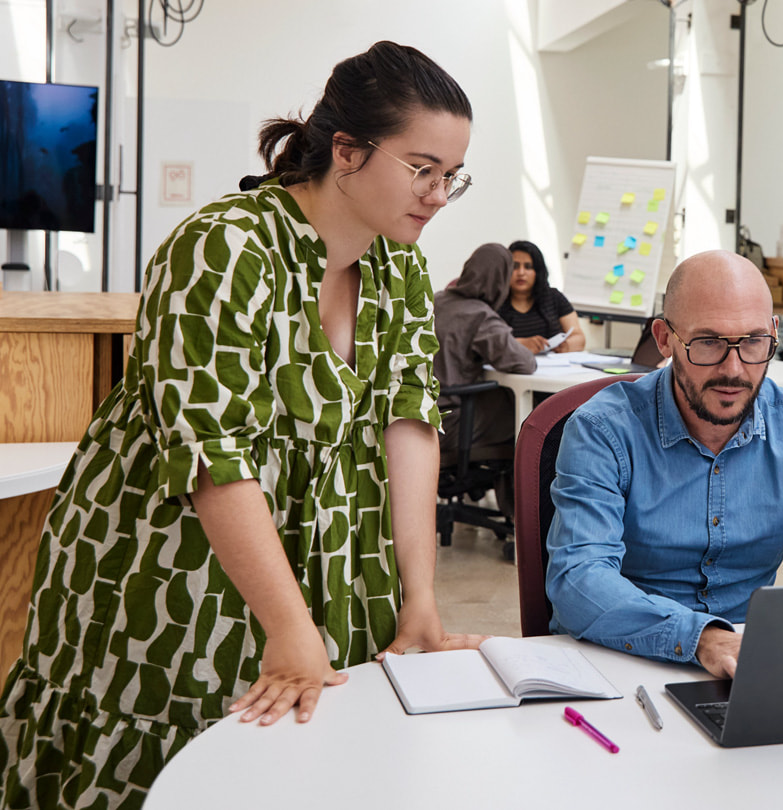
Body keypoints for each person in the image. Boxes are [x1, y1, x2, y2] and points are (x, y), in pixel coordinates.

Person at [0, 42, 488, 808]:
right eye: (421, 168)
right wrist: (287, 623)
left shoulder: (400, 267)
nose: (437, 194)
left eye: (450, 176)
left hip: (331, 555)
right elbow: (210, 456)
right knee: (171, 755)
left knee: (307, 760)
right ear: (348, 151)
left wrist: (418, 595)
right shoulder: (225, 248)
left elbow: (410, 423)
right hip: (182, 564)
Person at [545, 250, 783, 677]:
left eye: (752, 342)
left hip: (750, 664)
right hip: (619, 661)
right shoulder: (603, 429)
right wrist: (705, 639)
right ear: (664, 338)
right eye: (708, 342)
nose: (734, 370)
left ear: (773, 333)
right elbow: (579, 579)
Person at [434, 243, 539, 469]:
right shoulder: (480, 316)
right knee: (532, 418)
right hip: (451, 424)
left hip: (418, 417)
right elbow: (525, 363)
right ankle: (519, 500)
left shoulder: (436, 301)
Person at [499, 240, 586, 353]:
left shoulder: (554, 297)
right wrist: (520, 344)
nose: (521, 273)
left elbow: (579, 337)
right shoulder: (496, 301)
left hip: (553, 366)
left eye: (528, 267)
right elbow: (489, 343)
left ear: (538, 271)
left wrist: (565, 346)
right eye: (515, 266)